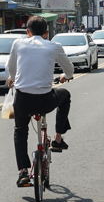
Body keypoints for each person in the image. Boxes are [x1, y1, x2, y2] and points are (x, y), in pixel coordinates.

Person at [6, 15, 74, 188]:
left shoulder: (18, 44)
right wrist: (65, 77)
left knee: (20, 131)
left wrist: (12, 79)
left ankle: (23, 172)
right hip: (45, 100)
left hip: (22, 99)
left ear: (27, 32)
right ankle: (58, 138)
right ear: (46, 33)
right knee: (64, 95)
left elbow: (11, 68)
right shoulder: (54, 46)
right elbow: (69, 69)